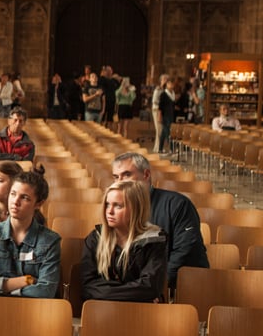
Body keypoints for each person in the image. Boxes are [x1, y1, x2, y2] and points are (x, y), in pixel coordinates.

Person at [111, 152, 208, 289]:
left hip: (179, 286)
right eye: (116, 177)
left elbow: (185, 252)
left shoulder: (178, 204)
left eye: (127, 175)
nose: (120, 182)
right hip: (138, 288)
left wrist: (156, 285)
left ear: (146, 175)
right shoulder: (115, 209)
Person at [0, 169, 61, 298]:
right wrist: (26, 281)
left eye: (24, 198)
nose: (15, 202)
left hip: (34, 311)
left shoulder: (50, 241)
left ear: (38, 204)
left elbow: (45, 290)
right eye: (13, 194)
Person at [80, 180, 167, 302]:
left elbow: (150, 287)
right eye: (107, 204)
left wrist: (106, 291)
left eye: (118, 206)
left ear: (136, 209)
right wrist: (139, 295)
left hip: (143, 314)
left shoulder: (154, 240)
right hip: (103, 312)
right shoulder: (95, 238)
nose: (109, 211)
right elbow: (88, 287)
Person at [151, 74, 174, 153]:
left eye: (166, 80)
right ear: (161, 81)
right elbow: (154, 101)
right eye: (164, 79)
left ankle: (160, 147)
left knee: (163, 129)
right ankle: (157, 147)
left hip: (164, 111)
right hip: (157, 110)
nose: (165, 81)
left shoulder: (166, 91)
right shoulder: (158, 89)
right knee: (159, 129)